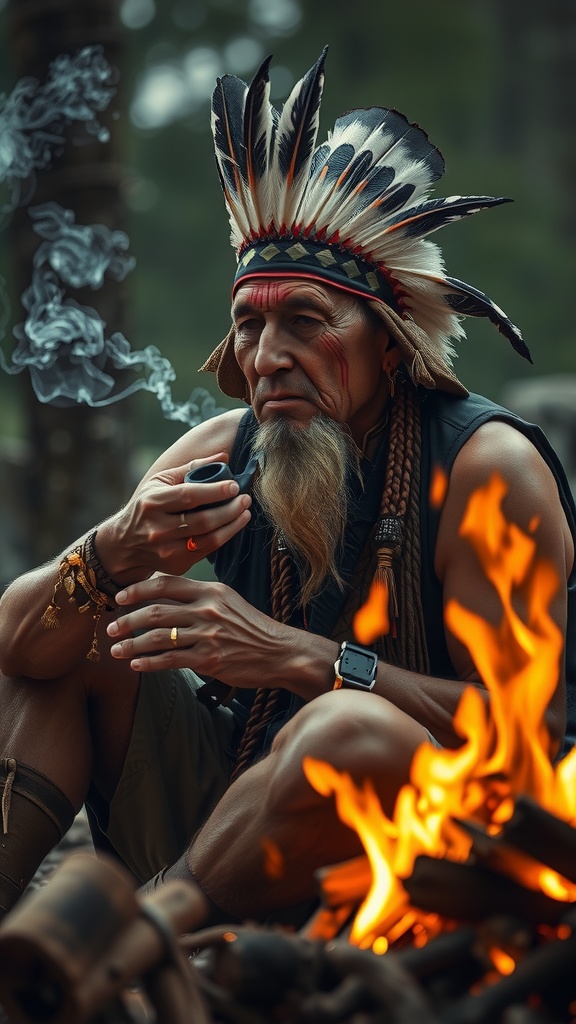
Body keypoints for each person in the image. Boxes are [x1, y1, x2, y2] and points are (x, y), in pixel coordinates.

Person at [0, 50, 575, 926]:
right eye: (249, 325)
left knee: (345, 731)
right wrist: (109, 551)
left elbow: (526, 739)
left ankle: (115, 947)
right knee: (74, 629)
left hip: (431, 856)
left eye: (305, 321)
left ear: (387, 343)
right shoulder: (218, 455)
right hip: (229, 836)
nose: (267, 358)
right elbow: (18, 650)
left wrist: (299, 660)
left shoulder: (486, 471)